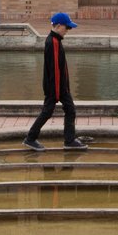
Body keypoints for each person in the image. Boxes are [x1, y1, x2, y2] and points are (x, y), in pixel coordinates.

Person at [23, 12, 88, 151]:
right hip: (56, 87)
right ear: (58, 26)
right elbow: (55, 70)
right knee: (50, 111)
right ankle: (31, 138)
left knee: (69, 110)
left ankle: (68, 140)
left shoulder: (55, 40)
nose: (68, 31)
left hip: (59, 86)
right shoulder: (53, 42)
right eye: (67, 27)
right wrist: (58, 92)